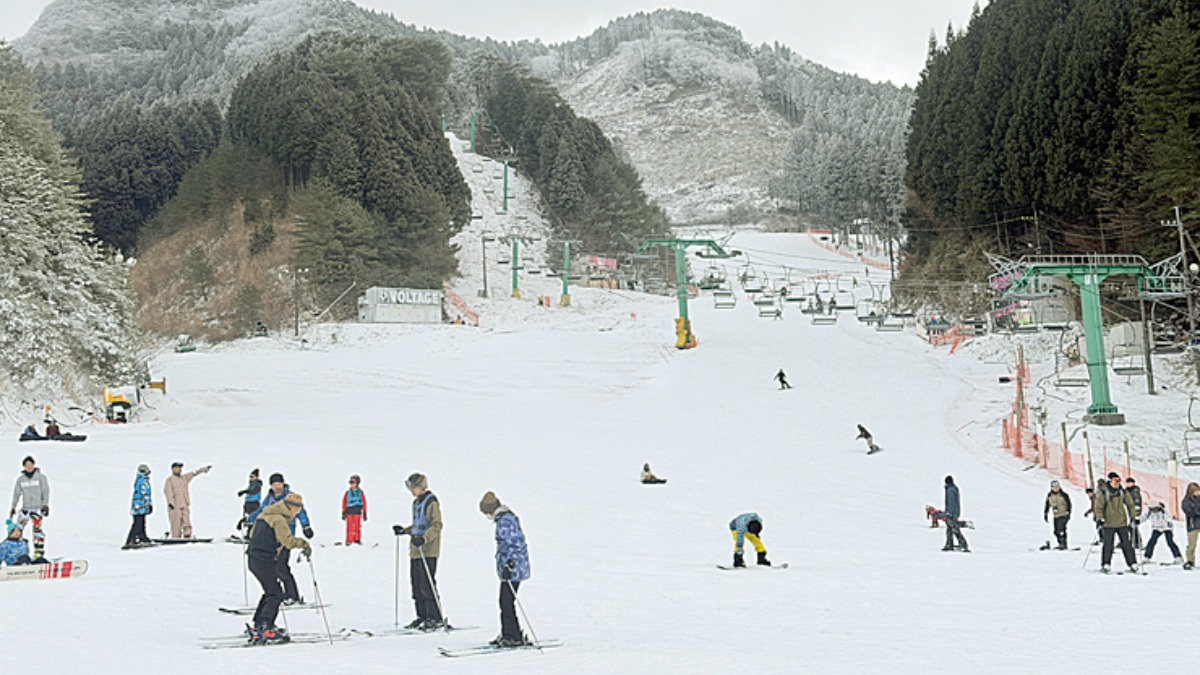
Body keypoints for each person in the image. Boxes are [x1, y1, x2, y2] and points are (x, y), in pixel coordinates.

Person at [246, 491, 311, 644]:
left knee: (270, 591)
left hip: (253, 558)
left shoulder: (264, 514)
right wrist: (303, 544)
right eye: (297, 511)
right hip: (264, 559)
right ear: (292, 508)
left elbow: (251, 534)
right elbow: (288, 541)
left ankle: (258, 623)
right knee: (276, 594)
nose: (296, 514)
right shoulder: (279, 520)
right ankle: (265, 627)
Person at [392, 472, 444, 630]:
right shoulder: (416, 503)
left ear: (421, 487)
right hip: (415, 551)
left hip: (428, 550)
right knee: (416, 584)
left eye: (413, 487)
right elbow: (417, 526)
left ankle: (435, 617)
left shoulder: (431, 503)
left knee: (427, 584)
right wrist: (405, 531)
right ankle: (422, 615)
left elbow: (436, 525)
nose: (411, 491)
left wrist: (425, 538)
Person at [479, 491, 531, 648]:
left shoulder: (505, 521)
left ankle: (513, 636)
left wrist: (510, 564)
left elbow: (515, 543)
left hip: (514, 568)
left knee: (506, 601)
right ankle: (509, 633)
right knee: (505, 601)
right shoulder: (504, 519)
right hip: (510, 568)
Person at [251, 473, 313, 604]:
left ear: (283, 484)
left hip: (286, 537)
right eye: (274, 484)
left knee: (281, 567)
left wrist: (306, 526)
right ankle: (279, 595)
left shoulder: (290, 498)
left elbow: (301, 512)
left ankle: (292, 595)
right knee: (273, 568)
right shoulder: (269, 498)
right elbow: (262, 511)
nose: (277, 487)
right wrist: (249, 520)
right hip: (272, 539)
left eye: (279, 484)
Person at [1095, 472, 1139, 573]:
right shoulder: (1104, 493)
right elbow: (1099, 507)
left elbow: (1130, 505)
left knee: (1126, 544)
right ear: (1110, 481)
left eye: (1119, 480)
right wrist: (1100, 518)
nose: (1117, 483)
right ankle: (1106, 564)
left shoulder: (1123, 492)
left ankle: (1132, 563)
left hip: (1121, 522)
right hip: (1108, 523)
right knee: (1108, 545)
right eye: (1115, 480)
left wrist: (1134, 517)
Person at [9, 456, 49, 560]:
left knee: (37, 531)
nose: (29, 467)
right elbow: (16, 494)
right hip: (26, 509)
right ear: (24, 467)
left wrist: (45, 505)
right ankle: (16, 552)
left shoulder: (41, 478)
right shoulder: (21, 480)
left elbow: (45, 491)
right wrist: (13, 507)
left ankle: (38, 553)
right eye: (27, 465)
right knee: (17, 529)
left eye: (30, 465)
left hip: (37, 509)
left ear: (34, 465)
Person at [164, 462, 211, 539]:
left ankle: (187, 535)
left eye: (180, 468)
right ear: (173, 469)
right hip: (175, 506)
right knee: (176, 524)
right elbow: (168, 492)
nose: (180, 469)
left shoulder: (184, 478)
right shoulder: (170, 480)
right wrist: (170, 503)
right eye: (178, 468)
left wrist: (204, 469)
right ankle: (176, 538)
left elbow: (194, 473)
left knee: (187, 522)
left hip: (184, 504)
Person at [124, 464, 153, 549]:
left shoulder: (140, 479)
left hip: (138, 506)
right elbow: (145, 493)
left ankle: (142, 536)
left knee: (141, 522)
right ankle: (131, 539)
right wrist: (148, 504)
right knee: (138, 523)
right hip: (140, 506)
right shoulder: (143, 481)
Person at [942, 476, 969, 553]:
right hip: (954, 512)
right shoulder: (953, 488)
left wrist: (949, 513)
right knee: (949, 529)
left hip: (952, 513)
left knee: (954, 529)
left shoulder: (950, 490)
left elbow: (951, 502)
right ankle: (949, 544)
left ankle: (963, 544)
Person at [1042, 480, 1071, 549]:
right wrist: (1046, 514)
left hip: (1064, 514)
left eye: (1057, 487)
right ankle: (1060, 543)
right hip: (1056, 515)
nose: (1056, 488)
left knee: (1061, 529)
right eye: (1054, 487)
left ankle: (1063, 544)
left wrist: (1068, 511)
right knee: (1055, 531)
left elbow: (1069, 504)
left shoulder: (1063, 495)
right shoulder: (1049, 495)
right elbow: (1047, 505)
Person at [236, 469, 263, 537]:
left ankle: (251, 535)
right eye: (250, 476)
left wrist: (244, 491)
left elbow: (253, 491)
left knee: (252, 519)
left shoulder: (257, 485)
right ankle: (248, 534)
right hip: (248, 503)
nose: (250, 478)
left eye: (252, 476)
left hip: (254, 503)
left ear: (256, 477)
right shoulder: (251, 484)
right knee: (248, 518)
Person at [341, 475, 367, 545]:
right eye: (350, 482)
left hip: (357, 511)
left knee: (357, 526)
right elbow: (344, 502)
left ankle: (357, 539)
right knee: (349, 526)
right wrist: (343, 512)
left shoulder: (361, 493)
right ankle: (349, 540)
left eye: (353, 482)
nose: (352, 484)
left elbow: (364, 502)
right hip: (349, 511)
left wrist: (364, 512)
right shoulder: (347, 493)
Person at [1182, 482, 1200, 570]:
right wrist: (1197, 510)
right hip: (1193, 525)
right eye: (1196, 491)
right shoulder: (1186, 501)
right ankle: (1190, 561)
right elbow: (1189, 512)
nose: (1198, 493)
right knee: (1192, 545)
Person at [1125, 476, 1143, 550]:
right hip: (1127, 511)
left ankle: (1137, 542)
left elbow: (1137, 503)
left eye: (1130, 483)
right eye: (1127, 483)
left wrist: (1136, 513)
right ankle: (1132, 541)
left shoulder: (1135, 492)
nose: (1128, 484)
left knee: (1133, 527)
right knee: (1128, 528)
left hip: (1134, 512)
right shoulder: (1126, 491)